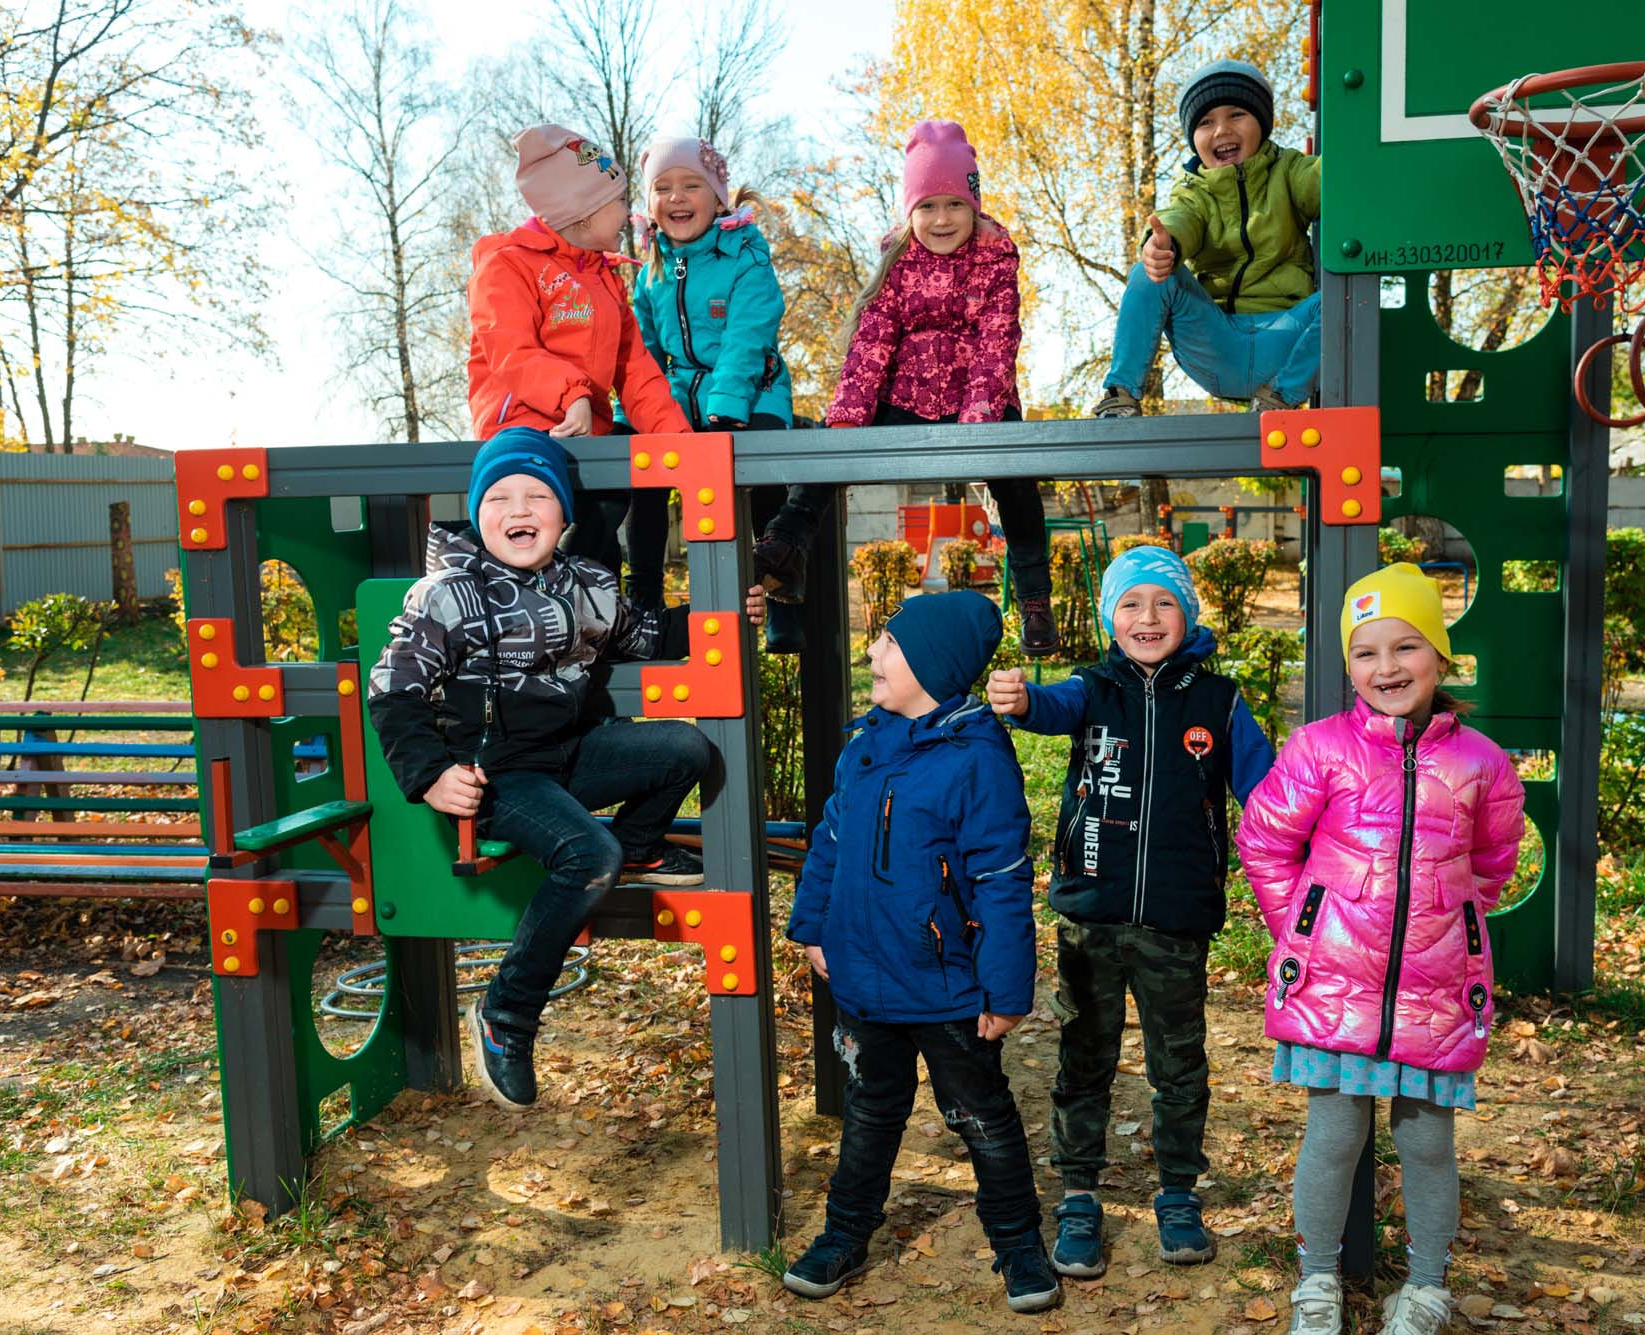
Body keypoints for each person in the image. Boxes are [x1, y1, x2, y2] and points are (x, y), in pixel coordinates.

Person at [368, 428, 764, 1112]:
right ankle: (507, 1016)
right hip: (497, 777)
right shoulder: (445, 595)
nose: (518, 508)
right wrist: (431, 774)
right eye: (499, 497)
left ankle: (642, 844)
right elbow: (392, 690)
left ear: (564, 515)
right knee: (588, 853)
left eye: (536, 495)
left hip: (568, 757)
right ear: (476, 510)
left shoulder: (588, 586)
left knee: (687, 748)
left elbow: (649, 635)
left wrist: (720, 617)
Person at [1235, 564, 1525, 1335]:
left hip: (1434, 989)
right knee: (1333, 1134)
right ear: (1347, 664)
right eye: (1366, 652)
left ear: (1439, 654)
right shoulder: (1318, 749)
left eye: (1407, 646)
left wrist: (1450, 925)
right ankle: (1317, 1281)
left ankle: (1427, 1286)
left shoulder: (1483, 764)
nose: (1387, 667)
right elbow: (1264, 840)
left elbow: (1492, 865)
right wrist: (1300, 926)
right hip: (1337, 981)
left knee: (1428, 1139)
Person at [986, 545, 1274, 1277]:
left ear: (1189, 615)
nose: (1148, 618)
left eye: (1164, 603)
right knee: (1085, 1057)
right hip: (1093, 911)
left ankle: (1177, 1191)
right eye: (1131, 605)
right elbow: (1047, 709)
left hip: (1177, 917)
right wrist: (1020, 699)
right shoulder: (1092, 688)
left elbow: (1268, 791)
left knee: (1178, 1064)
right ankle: (1079, 1192)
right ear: (1112, 618)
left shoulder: (1220, 700)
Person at [782, 592, 1060, 1314]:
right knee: (871, 1110)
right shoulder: (864, 745)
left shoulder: (976, 761)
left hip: (946, 985)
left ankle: (1019, 1241)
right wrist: (813, 925)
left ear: (933, 667)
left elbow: (1001, 881)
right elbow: (832, 839)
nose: (873, 653)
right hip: (865, 978)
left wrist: (1004, 991)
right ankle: (845, 1232)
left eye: (890, 645)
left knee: (979, 1114)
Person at [825, 120, 1058, 657]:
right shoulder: (897, 263)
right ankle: (787, 544)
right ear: (910, 212)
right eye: (927, 206)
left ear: (973, 205)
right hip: (905, 401)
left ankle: (1034, 598)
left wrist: (978, 427)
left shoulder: (995, 260)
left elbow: (997, 343)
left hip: (984, 400)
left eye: (954, 204)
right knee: (824, 447)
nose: (941, 218)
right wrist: (849, 417)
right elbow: (872, 343)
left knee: (1018, 484)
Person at [466, 124, 688, 610]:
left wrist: (681, 445)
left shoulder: (604, 280)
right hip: (524, 432)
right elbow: (511, 352)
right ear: (583, 213)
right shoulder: (507, 266)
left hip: (586, 438)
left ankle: (597, 634)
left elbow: (636, 371)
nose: (629, 215)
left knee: (605, 521)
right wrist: (574, 394)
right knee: (576, 517)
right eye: (618, 202)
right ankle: (533, 607)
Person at [629, 135, 830, 652]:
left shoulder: (745, 254)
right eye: (663, 187)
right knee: (644, 476)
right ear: (649, 205)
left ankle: (781, 594)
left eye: (691, 185)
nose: (677, 197)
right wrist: (632, 409)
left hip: (752, 393)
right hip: (682, 398)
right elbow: (642, 347)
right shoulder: (651, 268)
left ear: (718, 198)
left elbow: (749, 332)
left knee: (761, 483)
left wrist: (727, 406)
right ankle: (643, 598)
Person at [1092, 60, 1322, 419]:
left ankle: (1281, 395)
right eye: (1206, 122)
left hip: (1286, 337)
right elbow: (1182, 218)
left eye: (1236, 115)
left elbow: (1325, 184)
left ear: (1261, 123)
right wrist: (1163, 245)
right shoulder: (1195, 191)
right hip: (1218, 340)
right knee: (1149, 273)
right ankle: (1121, 393)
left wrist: (1346, 154)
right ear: (1194, 138)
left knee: (1344, 300)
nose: (1221, 130)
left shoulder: (1289, 171)